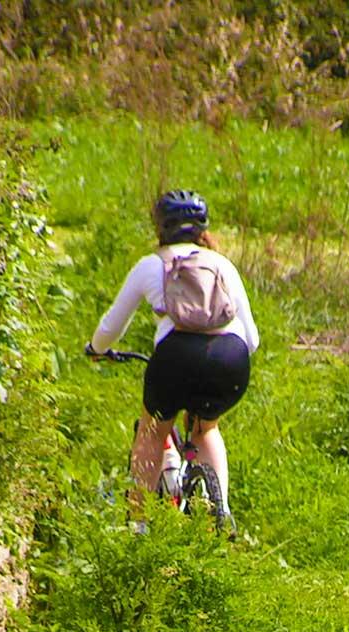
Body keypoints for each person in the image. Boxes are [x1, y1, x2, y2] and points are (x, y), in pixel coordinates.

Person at [87, 189, 258, 522]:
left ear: (160, 228)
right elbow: (251, 338)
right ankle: (220, 510)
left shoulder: (153, 264)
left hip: (175, 359)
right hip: (231, 357)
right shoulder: (222, 264)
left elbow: (111, 325)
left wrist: (98, 349)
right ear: (202, 229)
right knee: (206, 429)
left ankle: (138, 525)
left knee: (152, 432)